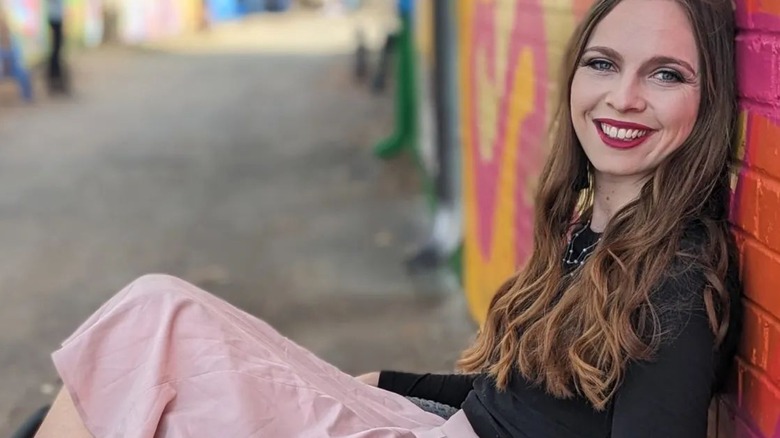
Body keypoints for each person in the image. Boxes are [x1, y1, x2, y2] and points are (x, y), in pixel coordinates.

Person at [33, 0, 742, 436]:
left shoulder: (676, 279)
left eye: (665, 74)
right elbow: (523, 400)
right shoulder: (592, 232)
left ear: (706, 104)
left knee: (155, 326)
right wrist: (393, 384)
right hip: (423, 424)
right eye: (604, 63)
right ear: (575, 79)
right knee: (146, 349)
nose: (623, 96)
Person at [45, 0, 68, 95]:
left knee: (56, 51)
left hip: (56, 19)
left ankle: (55, 76)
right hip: (55, 19)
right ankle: (54, 76)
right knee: (55, 52)